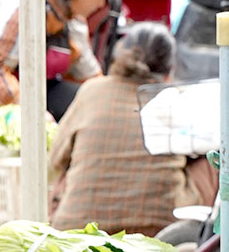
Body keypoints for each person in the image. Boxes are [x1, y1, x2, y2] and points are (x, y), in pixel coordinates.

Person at [49, 22, 205, 235]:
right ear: (169, 70)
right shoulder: (174, 100)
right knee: (209, 162)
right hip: (159, 231)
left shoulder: (92, 91)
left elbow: (57, 157)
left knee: (68, 169)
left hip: (81, 231)